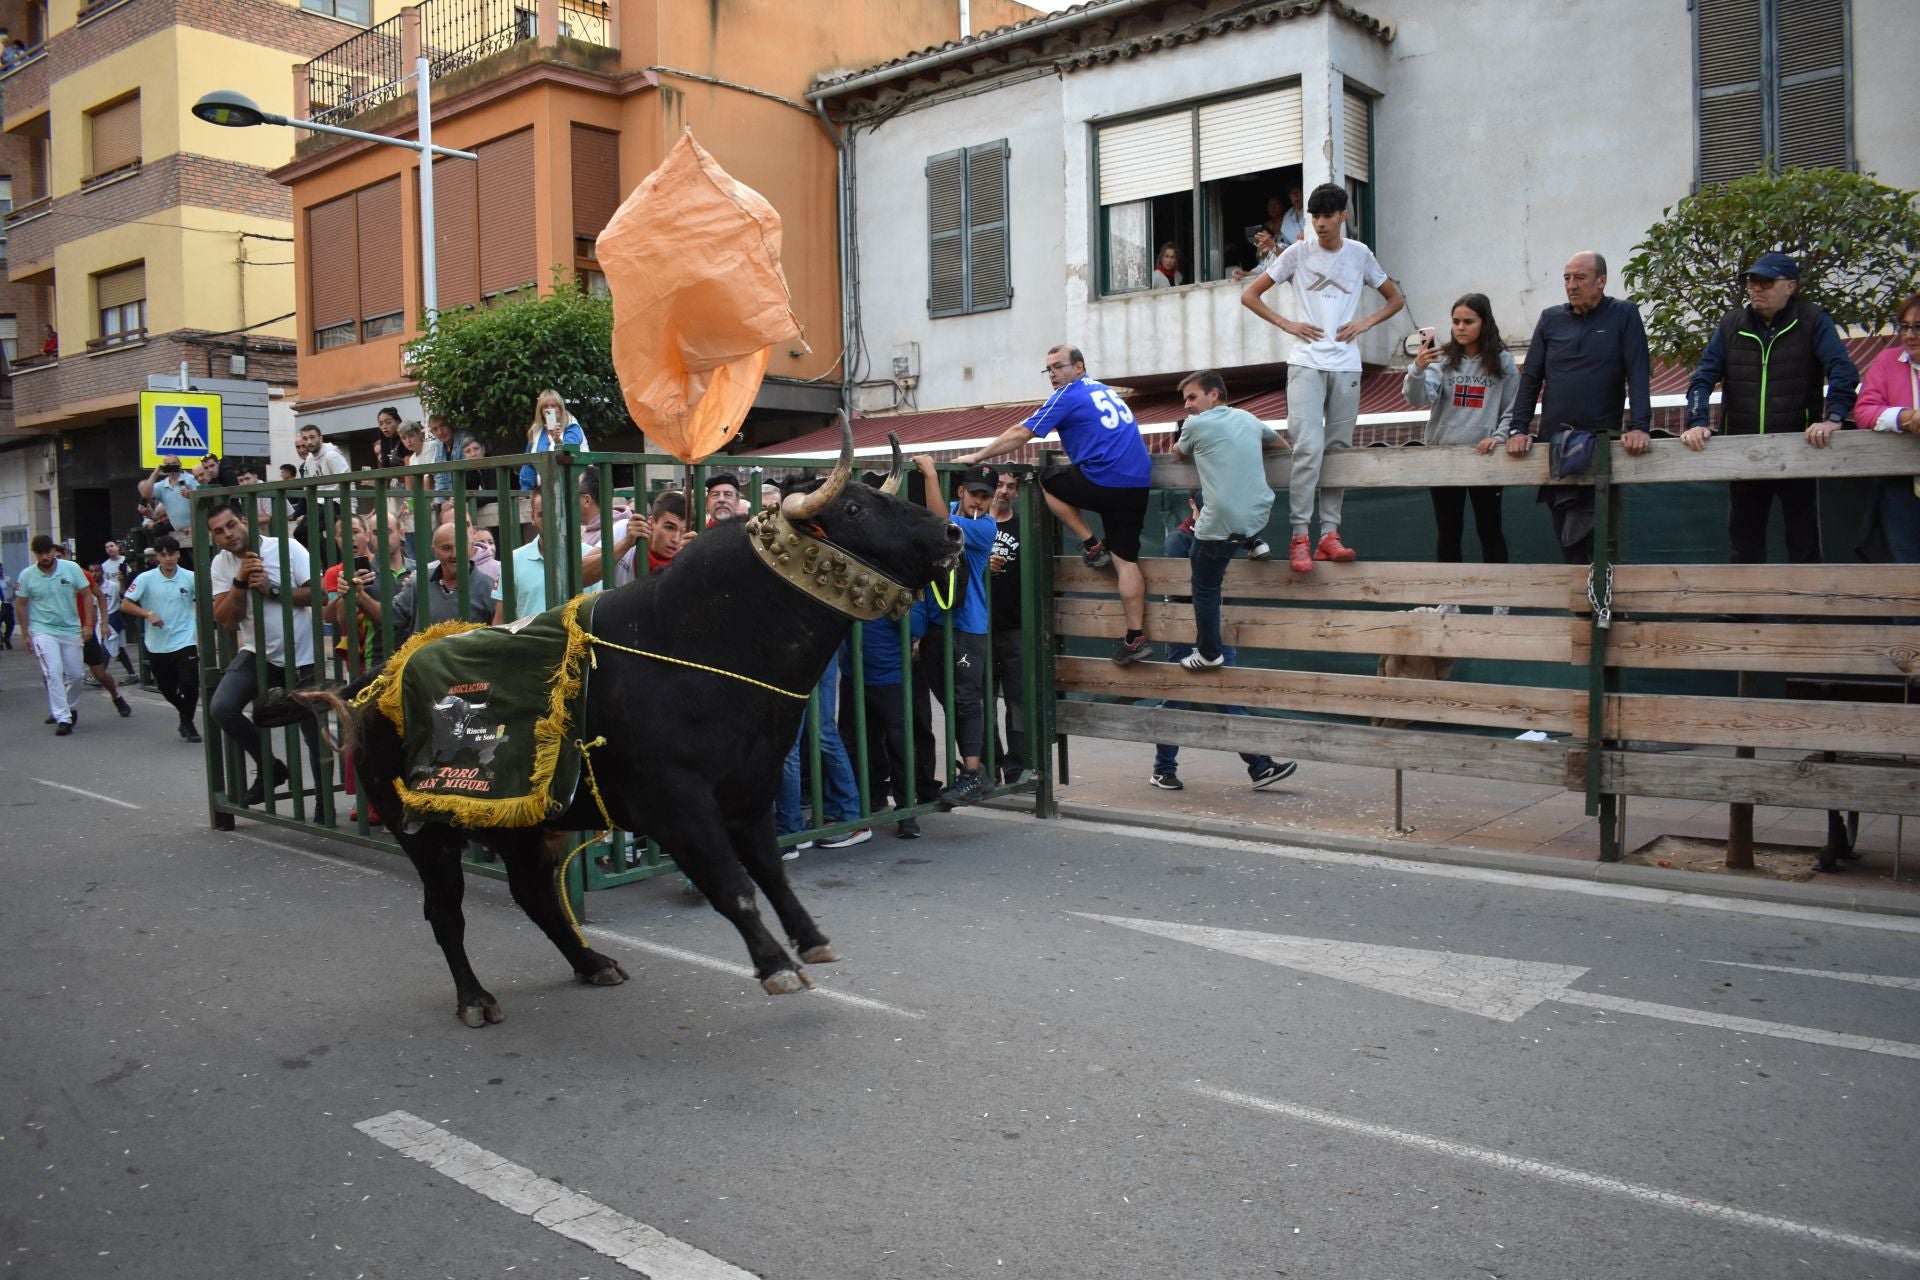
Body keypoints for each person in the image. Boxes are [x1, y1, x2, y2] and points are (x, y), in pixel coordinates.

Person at [956, 344, 1156, 664]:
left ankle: (1091, 544)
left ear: (1079, 367)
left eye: (1059, 367)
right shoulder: (1105, 390)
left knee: (1047, 477)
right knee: (1126, 561)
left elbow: (1023, 432)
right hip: (1136, 482)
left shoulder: (1068, 394)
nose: (1053, 374)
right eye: (1048, 369)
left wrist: (978, 456)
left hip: (1103, 479)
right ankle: (1135, 637)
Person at [1242, 182, 1405, 572]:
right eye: (1314, 216)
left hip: (1347, 364)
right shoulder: (1297, 253)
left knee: (1338, 451)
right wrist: (1287, 324)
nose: (1319, 223)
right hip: (1306, 362)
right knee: (1308, 448)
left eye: (1326, 216)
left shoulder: (1360, 254)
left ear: (1342, 216)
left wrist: (1364, 323)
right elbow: (1250, 295)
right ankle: (1300, 535)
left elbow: (1396, 299)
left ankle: (1329, 535)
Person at [1681, 252, 1861, 565]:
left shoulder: (1813, 319)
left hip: (1799, 450)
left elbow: (1843, 371)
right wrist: (1697, 421)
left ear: (1790, 286)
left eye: (1765, 281)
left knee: (1803, 542)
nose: (1756, 289)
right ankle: (1743, 613)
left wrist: (1833, 419)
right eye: (1752, 282)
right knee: (1744, 544)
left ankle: (1807, 614)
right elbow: (1702, 379)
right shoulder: (1730, 324)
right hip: (1743, 450)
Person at [1504, 251, 1653, 564]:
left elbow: (1638, 373)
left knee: (1600, 543)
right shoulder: (1550, 318)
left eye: (1580, 277)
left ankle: (1605, 612)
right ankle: (1582, 611)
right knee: (1567, 542)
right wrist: (1518, 429)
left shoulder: (1623, 314)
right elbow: (1530, 378)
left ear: (1601, 281)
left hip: (1601, 445)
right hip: (1554, 445)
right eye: (1567, 277)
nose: (1571, 285)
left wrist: (1640, 426)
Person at [1148, 518, 1296, 792]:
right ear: (1194, 506)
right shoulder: (1178, 540)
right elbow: (1180, 591)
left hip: (1217, 631)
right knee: (1178, 699)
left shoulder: (1225, 530)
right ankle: (1163, 769)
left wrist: (1253, 544)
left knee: (1229, 697)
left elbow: (1253, 547)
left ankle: (1260, 766)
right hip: (1185, 632)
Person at [1170, 370, 1287, 670]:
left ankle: (1210, 653)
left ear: (1214, 394)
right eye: (1185, 400)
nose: (1187, 406)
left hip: (1218, 523)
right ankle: (1254, 542)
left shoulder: (1194, 425)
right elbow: (1282, 447)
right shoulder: (1249, 419)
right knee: (1224, 494)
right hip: (1259, 514)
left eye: (1192, 397)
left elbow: (1177, 455)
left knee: (1205, 587)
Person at [207, 502, 321, 804]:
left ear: (245, 521)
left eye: (231, 525)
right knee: (222, 706)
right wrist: (240, 582)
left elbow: (318, 594)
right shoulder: (221, 564)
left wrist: (272, 589)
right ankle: (270, 769)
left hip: (303, 655)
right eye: (219, 531)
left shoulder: (287, 547)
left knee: (314, 735)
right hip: (258, 653)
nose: (228, 534)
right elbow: (227, 620)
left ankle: (324, 803)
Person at [1402, 293, 1519, 564]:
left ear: (1484, 323)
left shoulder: (1503, 361)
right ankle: (1449, 602)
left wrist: (1500, 437)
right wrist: (1417, 369)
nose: (1460, 328)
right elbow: (1417, 399)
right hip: (1443, 455)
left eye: (1468, 321)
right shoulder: (1439, 358)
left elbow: (1513, 407)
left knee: (1489, 530)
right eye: (1455, 322)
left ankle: (1500, 603)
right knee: (1448, 531)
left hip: (1485, 455)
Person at [910, 457, 998, 809]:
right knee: (948, 698)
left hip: (967, 626)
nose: (980, 502)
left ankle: (973, 774)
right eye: (975, 494)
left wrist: (930, 473)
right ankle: (976, 769)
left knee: (964, 699)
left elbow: (939, 523)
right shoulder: (949, 508)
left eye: (985, 497)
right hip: (936, 623)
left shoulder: (985, 528)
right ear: (961, 491)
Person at [1852, 292, 1920, 563]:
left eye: (1918, 327)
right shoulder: (1887, 361)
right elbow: (1864, 411)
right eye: (1904, 326)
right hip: (1901, 487)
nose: (1910, 334)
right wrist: (1906, 418)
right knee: (1907, 567)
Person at [121, 534, 200, 741]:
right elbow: (126, 604)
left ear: (178, 554)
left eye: (172, 554)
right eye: (163, 555)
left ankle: (187, 724)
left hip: (185, 640)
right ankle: (185, 715)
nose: (168, 559)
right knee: (167, 688)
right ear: (157, 556)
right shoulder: (145, 579)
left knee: (190, 683)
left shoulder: (190, 577)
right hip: (158, 644)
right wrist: (148, 614)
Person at [14, 535, 95, 734]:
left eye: (47, 552)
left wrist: (89, 624)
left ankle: (70, 706)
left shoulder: (71, 568)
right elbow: (21, 604)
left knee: (76, 674)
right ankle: (63, 718)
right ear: (35, 554)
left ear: (53, 550)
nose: (44, 557)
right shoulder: (27, 575)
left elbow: (87, 594)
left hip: (71, 629)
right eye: (40, 553)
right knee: (53, 671)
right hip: (43, 630)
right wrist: (25, 634)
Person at [491, 489, 604, 623]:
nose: (550, 520)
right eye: (542, 515)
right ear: (532, 518)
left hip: (578, 642)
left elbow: (600, 613)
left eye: (556, 513)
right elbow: (499, 621)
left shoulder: (591, 555)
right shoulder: (514, 560)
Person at [986, 469, 1026, 785]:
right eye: (999, 485)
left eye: (1011, 486)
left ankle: (1017, 767)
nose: (1004, 491)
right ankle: (989, 765)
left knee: (1018, 700)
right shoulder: (973, 525)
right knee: (981, 699)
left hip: (1015, 627)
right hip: (978, 627)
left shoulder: (1023, 526)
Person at [389, 523, 497, 639]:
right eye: (447, 548)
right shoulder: (419, 583)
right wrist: (365, 596)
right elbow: (388, 617)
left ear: (472, 548)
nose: (455, 554)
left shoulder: (489, 588)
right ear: (434, 551)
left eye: (461, 546)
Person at [516, 389, 586, 492]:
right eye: (545, 406)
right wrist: (526, 491)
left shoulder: (571, 425)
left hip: (574, 489)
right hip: (544, 492)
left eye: (554, 405)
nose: (550, 409)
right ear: (541, 410)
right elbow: (529, 464)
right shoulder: (536, 430)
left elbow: (570, 450)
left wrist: (558, 440)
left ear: (560, 407)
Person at [372, 406, 407, 471]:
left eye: (388, 422)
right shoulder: (385, 443)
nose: (384, 427)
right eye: (381, 424)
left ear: (398, 422)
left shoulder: (407, 440)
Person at [0, 562, 13, 649]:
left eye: (1, 569)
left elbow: (17, 587)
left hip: (7, 604)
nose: (0, 571)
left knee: (11, 622)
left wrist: (13, 598)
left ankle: (7, 637)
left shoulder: (8, 579)